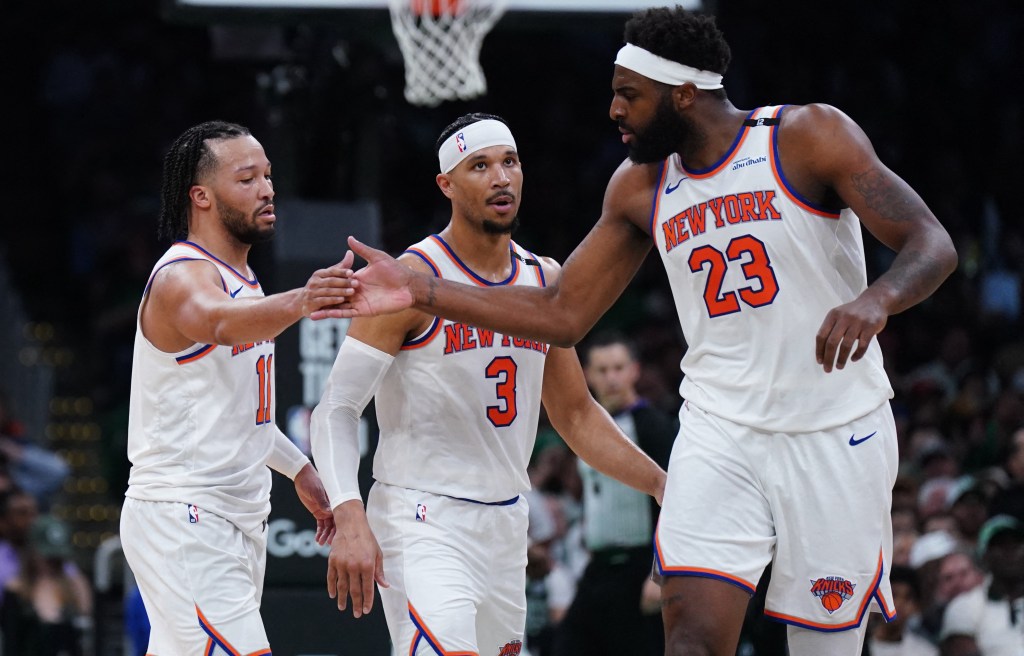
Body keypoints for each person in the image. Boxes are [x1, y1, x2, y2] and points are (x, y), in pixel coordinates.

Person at [338, 7, 959, 654]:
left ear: (683, 95)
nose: (614, 111)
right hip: (720, 431)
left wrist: (877, 300)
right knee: (688, 634)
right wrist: (423, 289)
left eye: (629, 95)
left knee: (820, 647)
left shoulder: (805, 135)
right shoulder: (639, 187)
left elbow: (929, 241)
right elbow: (560, 315)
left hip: (836, 426)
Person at [308, 113, 667, 656]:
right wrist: (350, 513)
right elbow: (336, 407)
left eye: (510, 162)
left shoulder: (543, 280)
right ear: (446, 185)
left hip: (506, 523)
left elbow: (575, 415)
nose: (501, 177)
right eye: (480, 165)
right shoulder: (412, 277)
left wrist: (663, 484)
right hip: (421, 516)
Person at [119, 120, 353, 655]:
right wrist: (304, 300)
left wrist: (301, 469)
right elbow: (218, 322)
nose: (267, 189)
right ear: (200, 197)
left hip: (236, 520)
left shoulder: (247, 283)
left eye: (268, 176)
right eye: (247, 179)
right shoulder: (181, 276)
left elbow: (243, 414)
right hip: (186, 516)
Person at [552, 331, 677, 656]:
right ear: (587, 375)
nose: (612, 378)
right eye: (603, 370)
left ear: (634, 370)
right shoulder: (584, 429)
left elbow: (676, 500)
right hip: (598, 566)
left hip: (639, 567)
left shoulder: (652, 425)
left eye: (619, 368)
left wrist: (660, 573)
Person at [0, 514, 93, 656]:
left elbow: (85, 637)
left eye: (57, 558)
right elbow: (11, 645)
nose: (53, 563)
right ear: (32, 551)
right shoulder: (16, 590)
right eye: (48, 557)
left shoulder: (75, 586)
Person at [940, 514, 1024, 655]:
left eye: (1016, 544)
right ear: (984, 555)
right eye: (1000, 545)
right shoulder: (964, 605)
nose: (1010, 552)